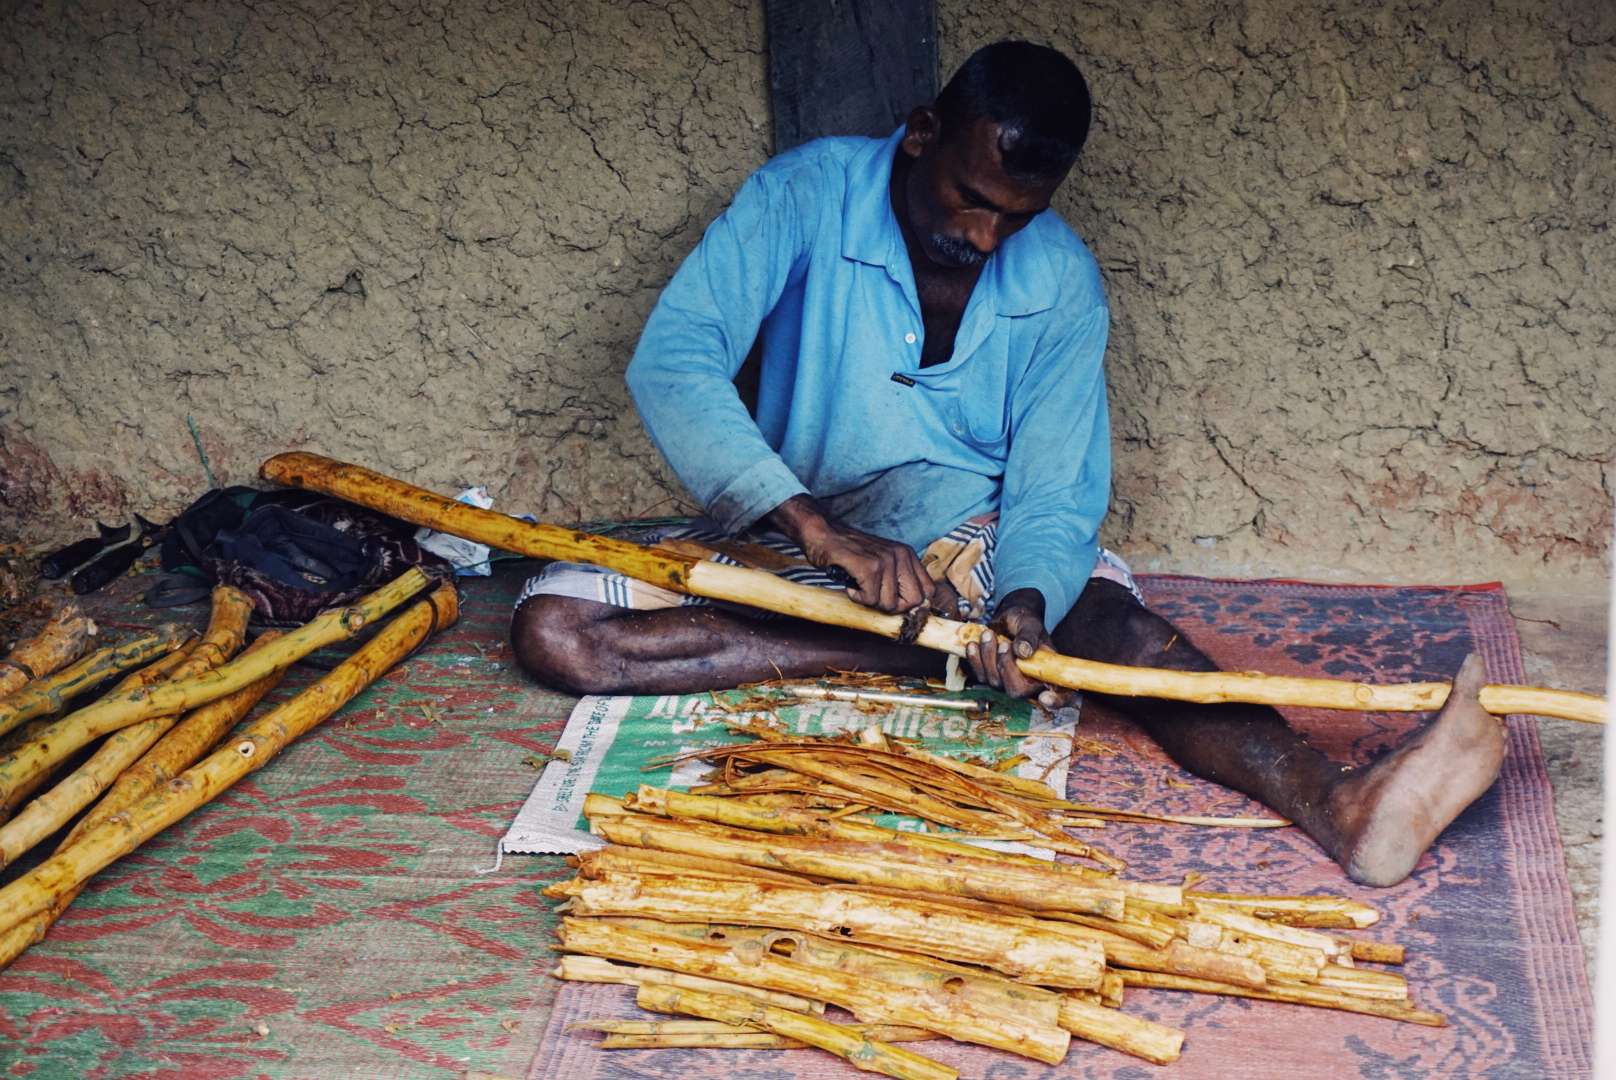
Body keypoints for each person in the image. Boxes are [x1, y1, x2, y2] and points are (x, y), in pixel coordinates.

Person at [511, 41, 1508, 888]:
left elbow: (1055, 486)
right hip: (792, 532)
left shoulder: (1061, 281)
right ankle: (927, 653)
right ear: (918, 134)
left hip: (966, 543)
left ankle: (1337, 805)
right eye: (967, 199)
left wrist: (1022, 603)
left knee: (1108, 630)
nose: (980, 237)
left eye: (1013, 218)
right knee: (561, 632)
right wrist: (820, 530)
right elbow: (673, 362)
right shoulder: (801, 196)